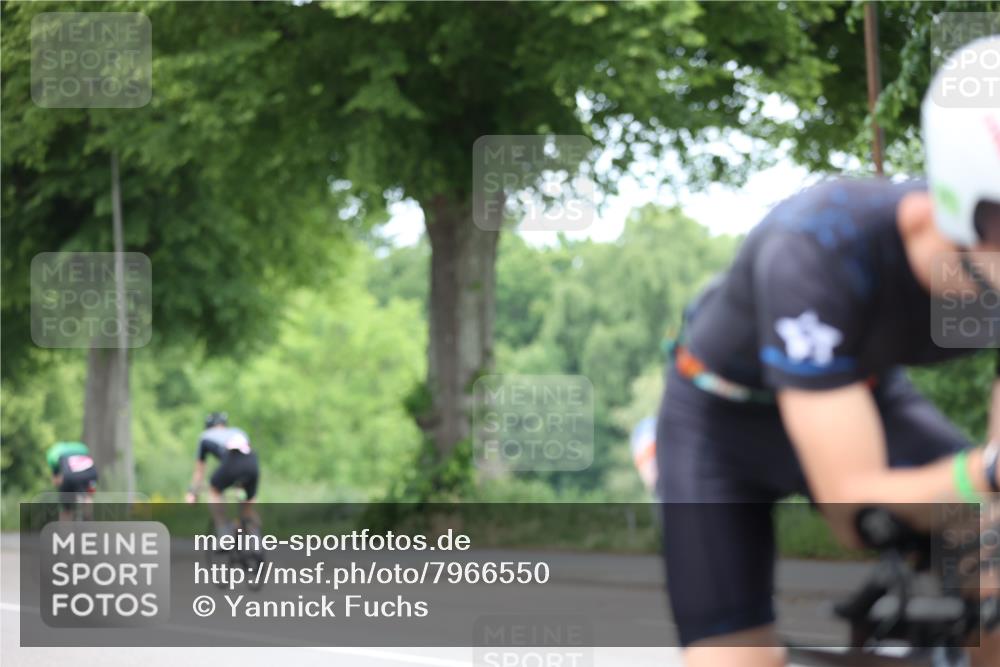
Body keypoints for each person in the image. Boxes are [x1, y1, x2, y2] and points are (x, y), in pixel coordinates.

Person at [656, 36, 1000, 666]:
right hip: (719, 427)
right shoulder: (816, 249)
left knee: (993, 554)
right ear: (960, 201)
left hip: (860, 395)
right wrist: (985, 473)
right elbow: (854, 502)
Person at [185, 412, 260, 537]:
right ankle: (255, 537)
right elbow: (244, 456)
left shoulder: (205, 436)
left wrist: (193, 492)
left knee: (214, 490)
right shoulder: (239, 432)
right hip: (252, 462)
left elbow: (199, 471)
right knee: (248, 504)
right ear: (225, 425)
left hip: (231, 461)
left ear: (208, 426)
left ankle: (223, 533)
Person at [46, 441, 98, 521]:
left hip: (70, 477)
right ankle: (89, 521)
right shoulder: (82, 450)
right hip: (92, 474)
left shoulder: (55, 454)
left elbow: (56, 481)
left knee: (66, 508)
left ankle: (65, 529)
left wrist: (62, 490)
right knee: (88, 497)